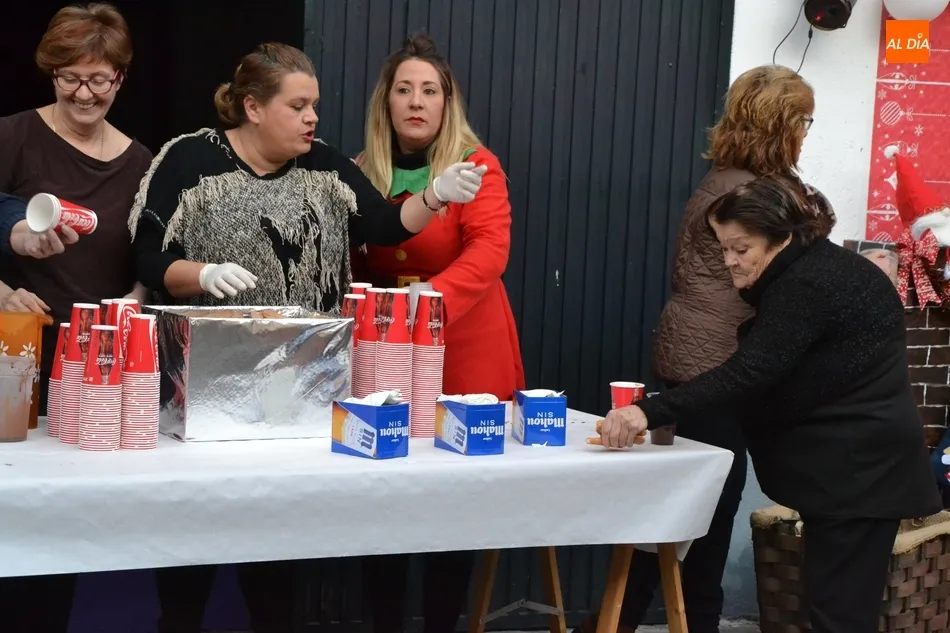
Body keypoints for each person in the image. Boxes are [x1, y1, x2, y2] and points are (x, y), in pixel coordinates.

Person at [128, 42, 487, 633]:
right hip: (203, 387)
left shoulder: (324, 167)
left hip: (296, 390)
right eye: (297, 106)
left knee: (276, 548)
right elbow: (147, 255)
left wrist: (434, 196)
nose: (312, 118)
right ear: (253, 107)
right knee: (195, 539)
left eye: (314, 105)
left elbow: (384, 225)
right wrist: (202, 274)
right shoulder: (189, 159)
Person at [599, 177, 942, 633]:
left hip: (859, 473)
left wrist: (648, 411)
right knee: (835, 609)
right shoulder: (818, 269)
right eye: (723, 248)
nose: (730, 261)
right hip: (855, 471)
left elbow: (751, 372)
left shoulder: (808, 284)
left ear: (781, 236)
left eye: (741, 248)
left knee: (839, 615)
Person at [577, 64, 834, 633]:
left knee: (678, 520)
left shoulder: (724, 180)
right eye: (803, 121)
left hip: (694, 359)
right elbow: (810, 252)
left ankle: (610, 623)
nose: (806, 133)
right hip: (717, 367)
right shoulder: (750, 195)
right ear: (780, 124)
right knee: (702, 523)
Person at [351, 34, 525, 633]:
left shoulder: (477, 165)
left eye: (430, 91)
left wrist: (431, 298)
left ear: (447, 102)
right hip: (387, 353)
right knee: (384, 491)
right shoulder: (361, 170)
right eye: (404, 90)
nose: (416, 102)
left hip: (463, 346)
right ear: (387, 101)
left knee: (456, 497)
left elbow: (490, 251)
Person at [0, 5, 152, 633]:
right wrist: (0, 292)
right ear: (51, 74)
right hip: (14, 357)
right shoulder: (12, 136)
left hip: (92, 371)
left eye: (98, 79)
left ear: (121, 77)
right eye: (70, 78)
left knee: (62, 529)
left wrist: (135, 299)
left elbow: (149, 259)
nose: (84, 94)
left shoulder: (141, 162)